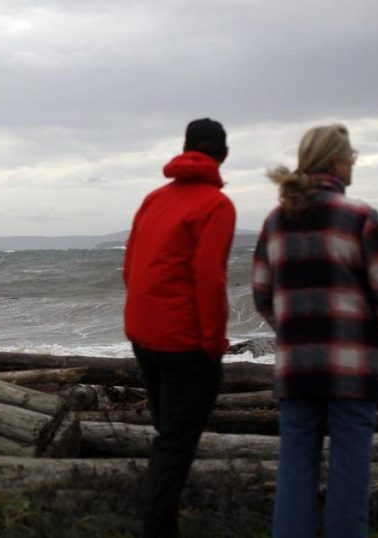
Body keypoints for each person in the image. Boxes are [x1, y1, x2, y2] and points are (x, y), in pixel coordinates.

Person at [253, 125, 378, 538]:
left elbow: (263, 295)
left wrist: (296, 333)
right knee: (349, 479)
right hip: (353, 371)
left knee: (295, 476)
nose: (354, 160)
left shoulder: (275, 223)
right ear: (336, 161)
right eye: (350, 154)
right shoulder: (360, 218)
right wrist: (375, 341)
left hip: (297, 369)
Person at [123, 118, 236, 538]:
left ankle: (160, 520)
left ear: (184, 148)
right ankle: (159, 529)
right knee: (175, 444)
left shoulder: (153, 200)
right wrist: (213, 344)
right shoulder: (216, 205)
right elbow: (210, 278)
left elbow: (130, 268)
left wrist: (141, 321)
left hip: (143, 337)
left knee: (167, 436)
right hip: (185, 346)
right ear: (223, 154)